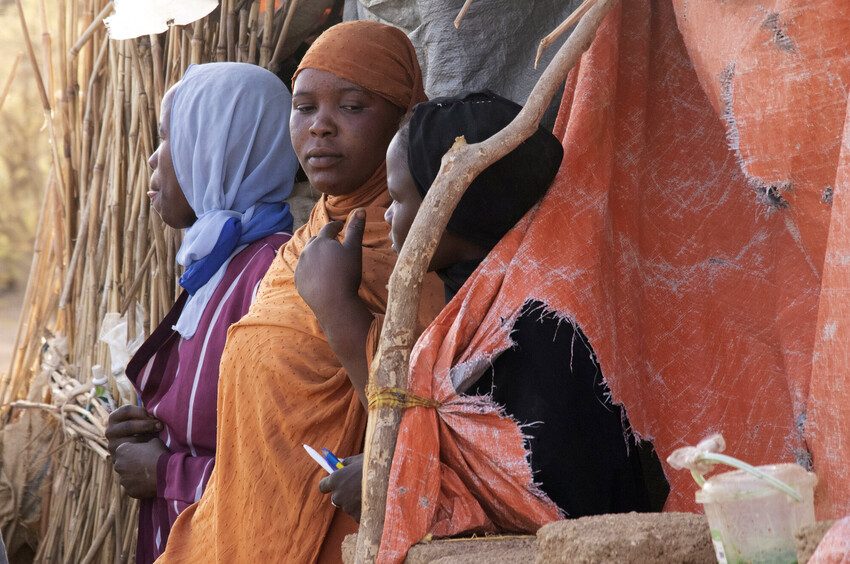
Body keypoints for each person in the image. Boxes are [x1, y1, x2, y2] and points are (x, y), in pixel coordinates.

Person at [157, 21, 443, 563]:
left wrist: (339, 308)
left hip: (330, 535)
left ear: (404, 120)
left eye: (352, 107)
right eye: (304, 106)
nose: (321, 128)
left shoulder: (417, 253)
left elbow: (434, 418)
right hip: (247, 527)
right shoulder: (309, 235)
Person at [310, 91, 667, 523]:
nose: (386, 215)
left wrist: (391, 483)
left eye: (398, 198)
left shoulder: (536, 330)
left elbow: (541, 500)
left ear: (454, 207)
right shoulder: (473, 309)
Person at [104, 62, 299, 564]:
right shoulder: (214, 262)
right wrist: (150, 426)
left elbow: (290, 471)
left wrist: (166, 472)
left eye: (170, 137)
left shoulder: (272, 275)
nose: (153, 155)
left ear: (214, 149)